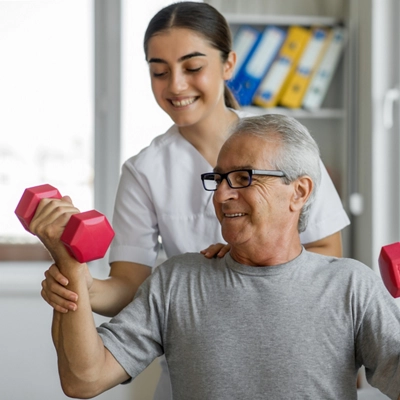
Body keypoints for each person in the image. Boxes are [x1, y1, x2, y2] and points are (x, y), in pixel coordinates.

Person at [40, 2, 350, 398]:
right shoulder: (145, 170)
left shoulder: (281, 143)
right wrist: (82, 285)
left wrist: (253, 254)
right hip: (199, 353)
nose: (176, 86)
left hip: (289, 342)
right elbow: (129, 285)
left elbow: (327, 252)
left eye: (192, 67)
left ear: (228, 64)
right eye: (159, 71)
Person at [31, 114, 400, 400]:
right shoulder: (178, 280)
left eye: (242, 178)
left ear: (299, 192)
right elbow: (84, 378)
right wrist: (70, 266)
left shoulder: (352, 285)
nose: (221, 196)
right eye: (219, 179)